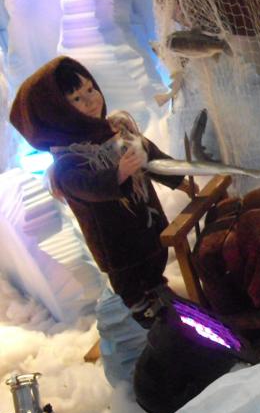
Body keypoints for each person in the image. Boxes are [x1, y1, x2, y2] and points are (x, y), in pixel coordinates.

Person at [9, 57, 193, 327]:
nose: (91, 100)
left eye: (90, 89)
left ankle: (161, 294)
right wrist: (117, 175)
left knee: (155, 263)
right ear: (56, 112)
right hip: (116, 242)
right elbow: (84, 185)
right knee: (131, 280)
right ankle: (144, 313)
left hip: (147, 224)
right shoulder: (69, 160)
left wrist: (179, 180)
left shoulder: (116, 131)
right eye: (76, 99)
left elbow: (149, 157)